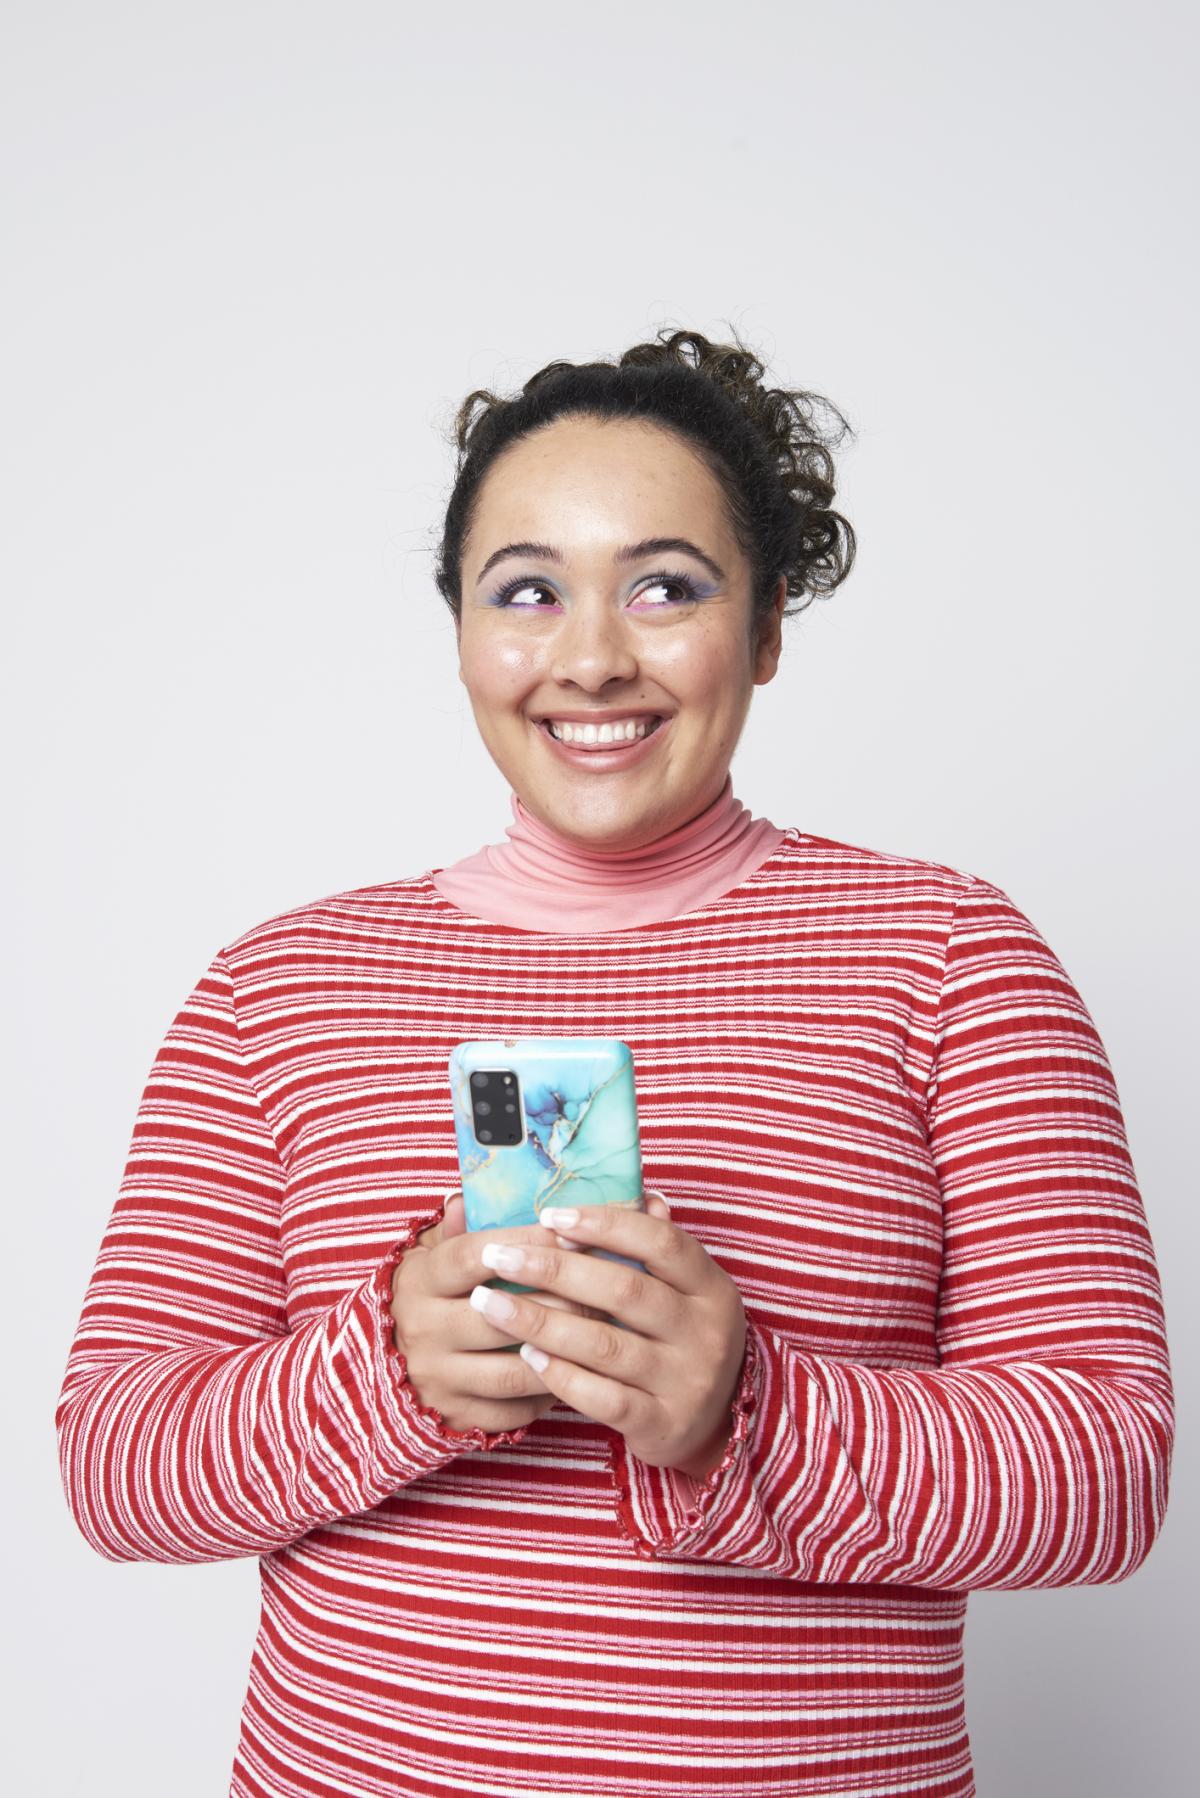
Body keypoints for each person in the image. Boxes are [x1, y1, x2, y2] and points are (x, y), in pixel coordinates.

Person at [56, 326, 1175, 1798]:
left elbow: (1107, 1472)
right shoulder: (277, 988)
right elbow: (117, 1462)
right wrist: (387, 1370)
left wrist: (747, 1408)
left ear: (766, 629)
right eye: (526, 590)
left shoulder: (950, 955)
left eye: (667, 586)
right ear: (461, 631)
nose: (591, 656)